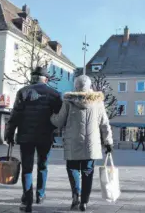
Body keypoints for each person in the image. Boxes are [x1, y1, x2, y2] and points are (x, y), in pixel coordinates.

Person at [50, 75, 113, 212]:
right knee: (87, 171)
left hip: (72, 142)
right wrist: (108, 142)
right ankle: (84, 201)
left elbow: (59, 122)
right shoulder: (98, 101)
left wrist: (51, 116)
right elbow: (105, 124)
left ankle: (75, 196)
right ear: (90, 86)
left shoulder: (68, 101)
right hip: (91, 143)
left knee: (72, 168)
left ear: (75, 86)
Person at [5, 67, 62, 213]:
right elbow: (59, 118)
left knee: (27, 168)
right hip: (45, 136)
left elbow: (15, 115)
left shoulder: (23, 92)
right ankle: (40, 194)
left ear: (32, 78)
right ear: (46, 79)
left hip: (26, 136)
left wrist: (9, 134)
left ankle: (27, 199)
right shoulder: (55, 94)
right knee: (43, 165)